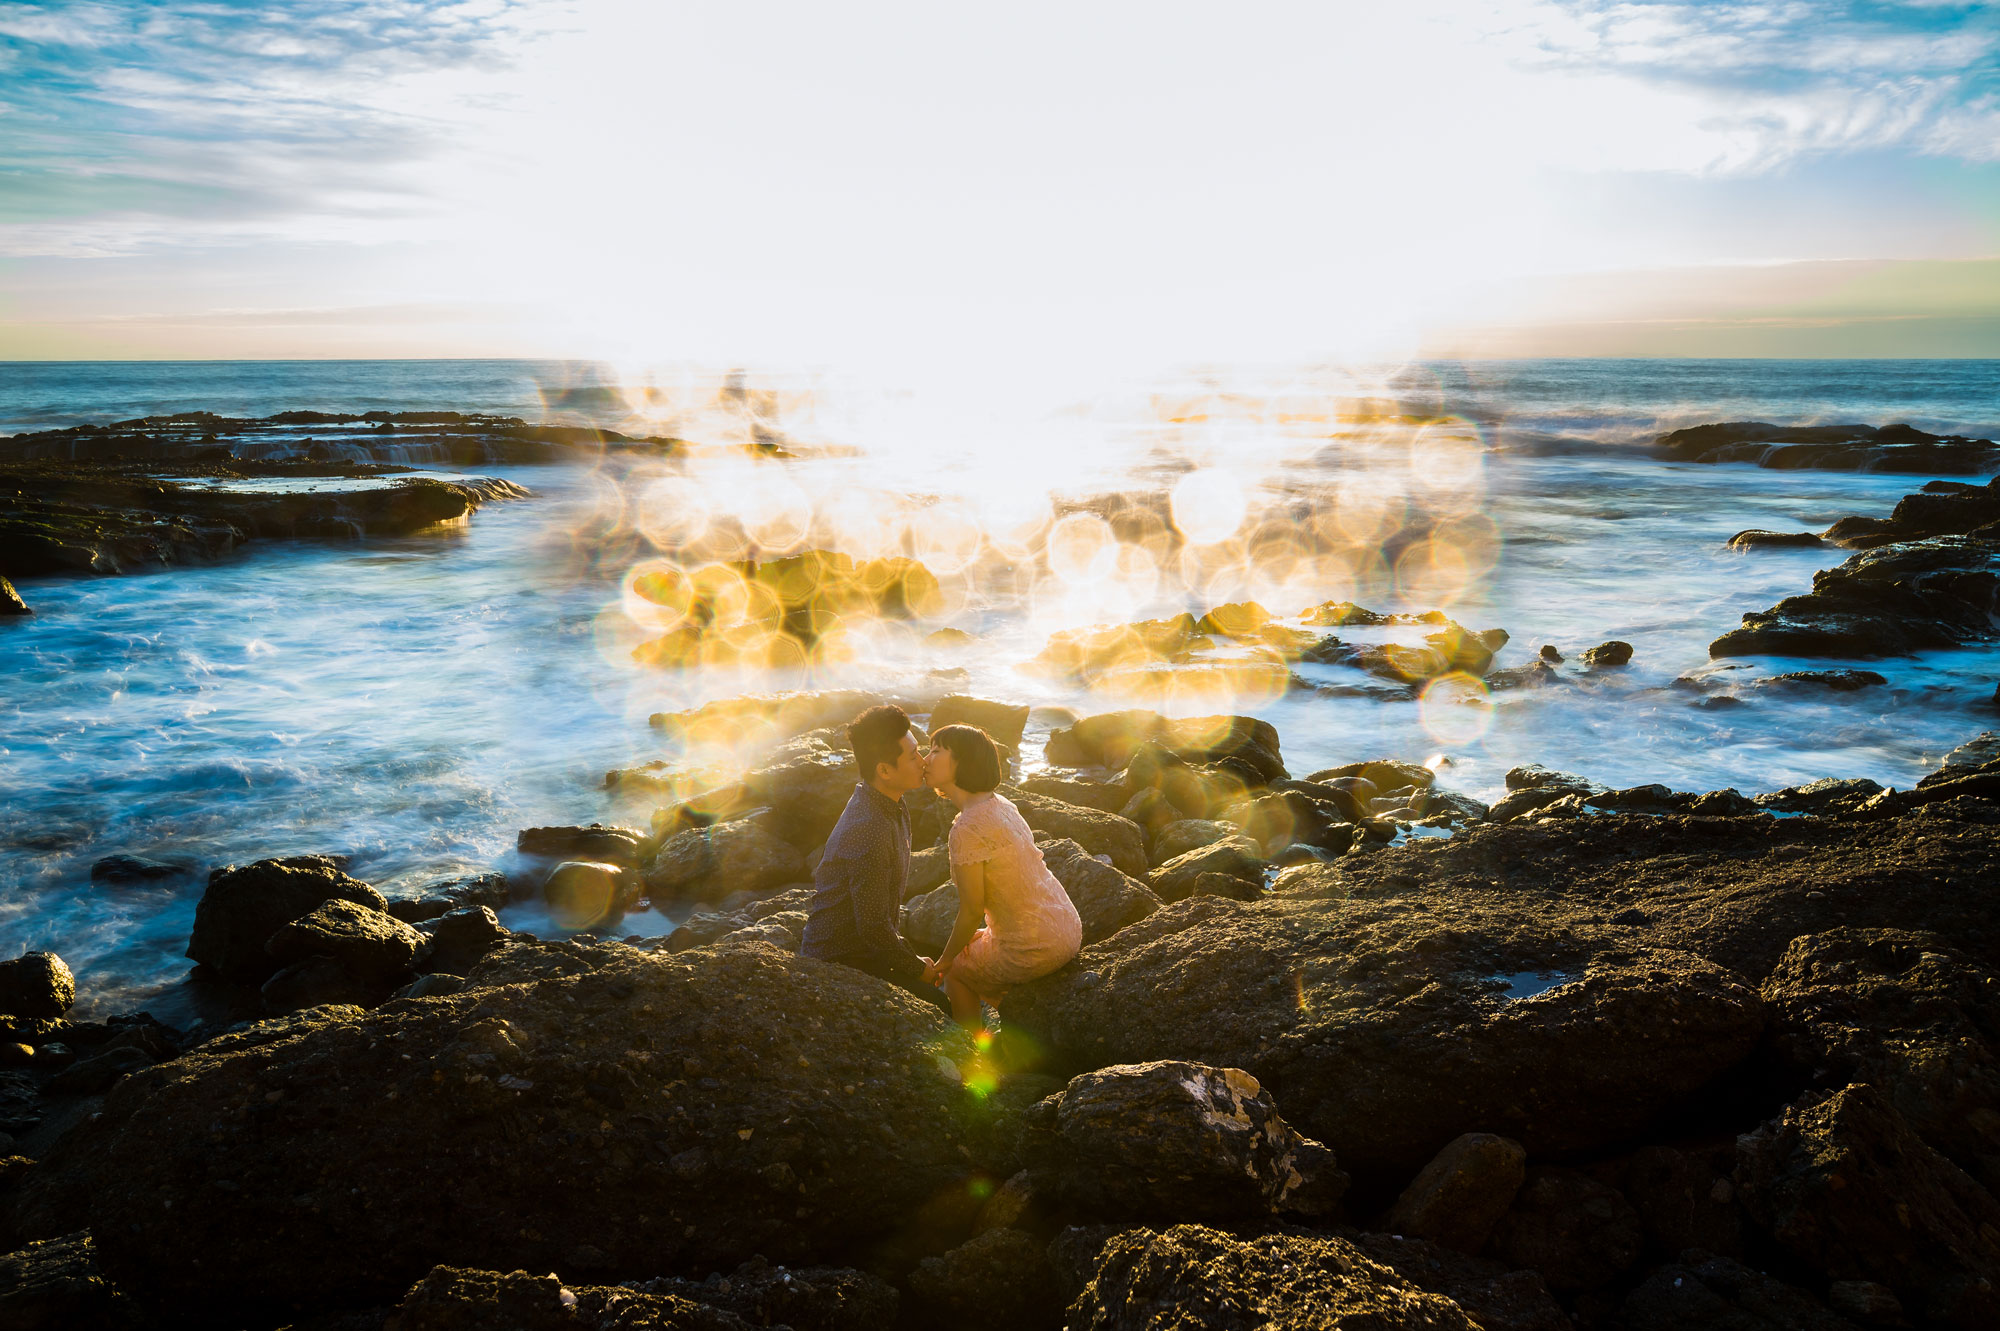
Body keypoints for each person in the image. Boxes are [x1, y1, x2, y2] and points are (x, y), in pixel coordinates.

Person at [920, 724, 1083, 1027]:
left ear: (961, 762)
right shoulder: (1002, 804)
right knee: (974, 942)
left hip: (1036, 947)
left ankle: (973, 1054)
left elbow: (971, 911)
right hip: (1068, 927)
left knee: (957, 969)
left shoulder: (967, 828)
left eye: (935, 751)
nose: (925, 759)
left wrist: (944, 960)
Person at [799, 704, 949, 1011]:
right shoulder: (870, 828)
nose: (922, 762)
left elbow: (878, 925)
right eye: (912, 756)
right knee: (939, 1007)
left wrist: (908, 958)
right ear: (884, 770)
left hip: (867, 951)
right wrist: (916, 968)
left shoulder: (888, 803)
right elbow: (873, 928)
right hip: (838, 963)